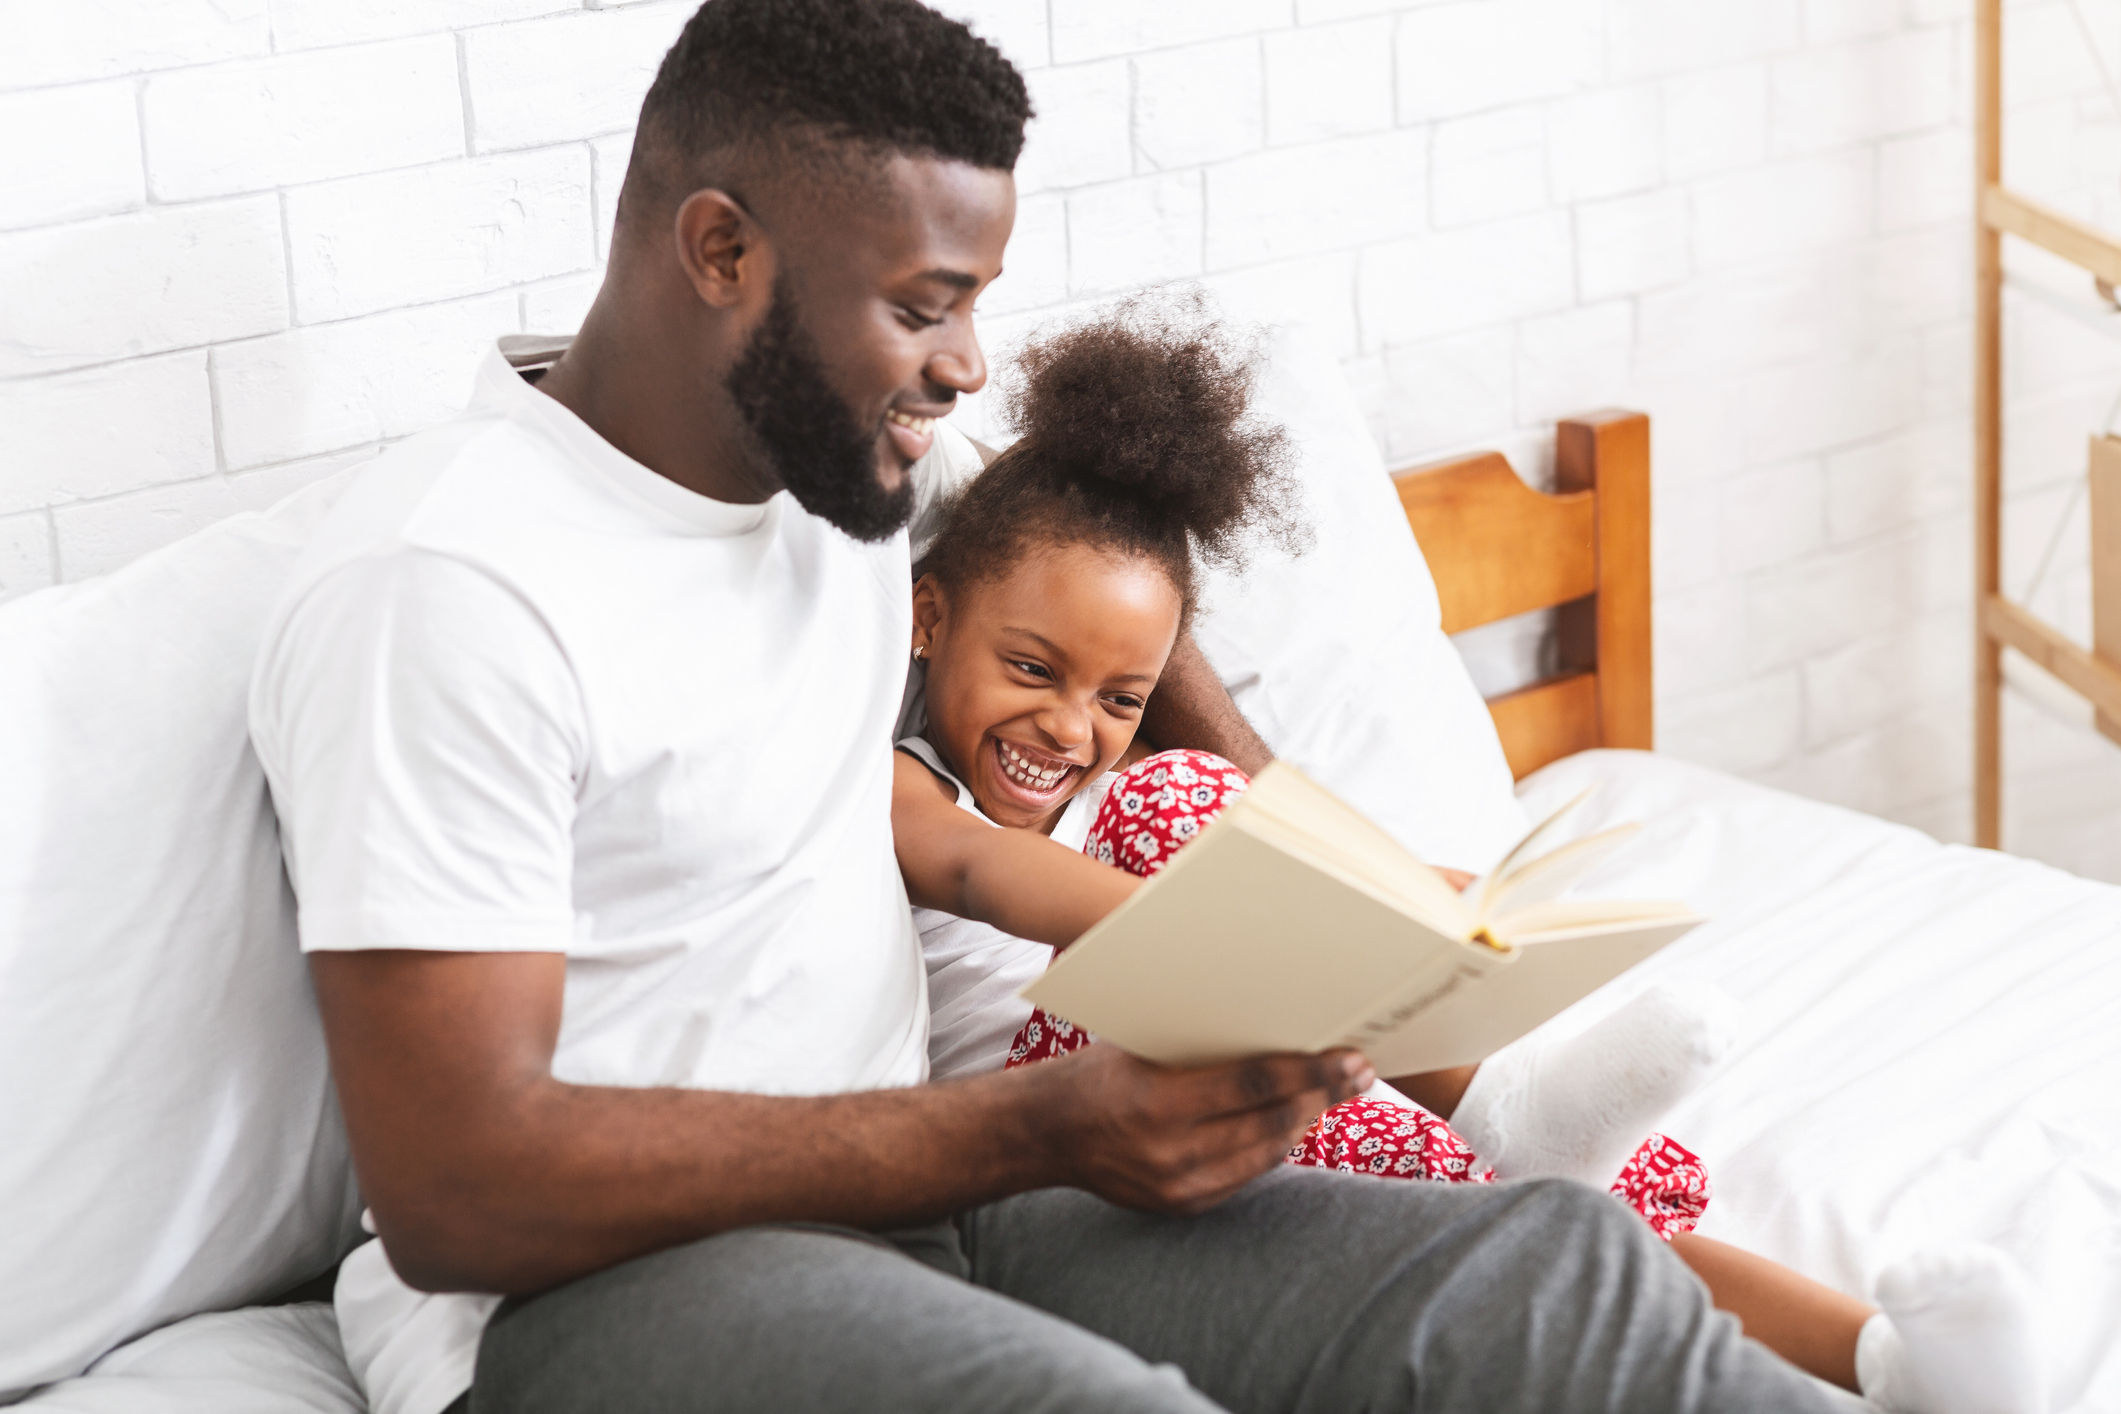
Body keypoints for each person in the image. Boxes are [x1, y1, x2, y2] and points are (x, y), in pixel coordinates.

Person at [251, 2, 1860, 1412]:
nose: (966, 364)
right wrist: (1041, 1128)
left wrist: (1341, 886)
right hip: (585, 1296)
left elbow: (1088, 574)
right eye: (925, 303)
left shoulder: (841, 472)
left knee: (1544, 1276)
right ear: (723, 250)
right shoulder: (449, 588)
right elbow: (460, 1184)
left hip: (938, 1202)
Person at [888, 303, 2049, 1414]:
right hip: (1042, 1131)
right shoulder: (907, 785)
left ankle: (1886, 1357)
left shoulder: (1097, 773)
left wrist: (1376, 908)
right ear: (925, 617)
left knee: (1576, 1215)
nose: (1068, 724)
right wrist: (1256, 916)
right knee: (1186, 803)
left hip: (1195, 1066)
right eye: (1033, 668)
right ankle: (1503, 1111)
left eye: (1120, 696)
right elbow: (989, 876)